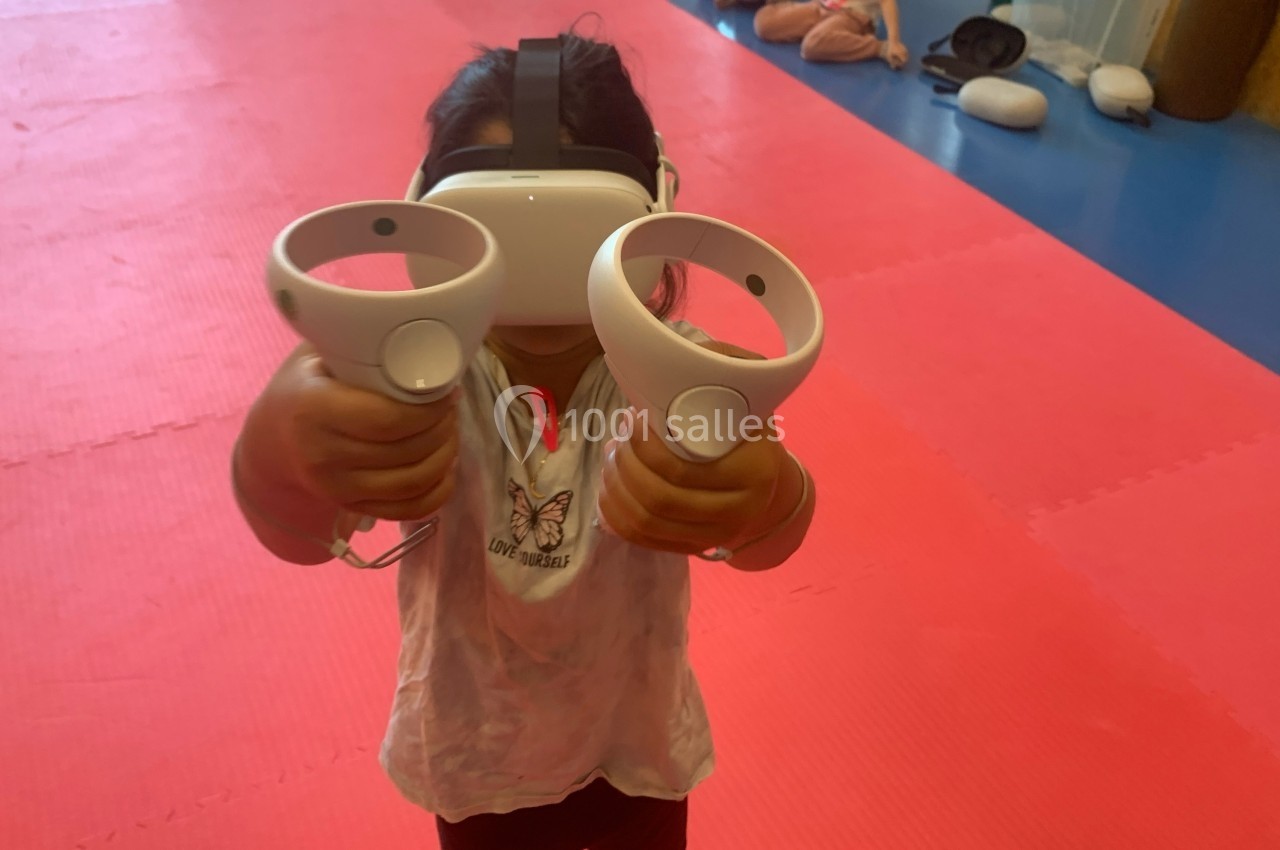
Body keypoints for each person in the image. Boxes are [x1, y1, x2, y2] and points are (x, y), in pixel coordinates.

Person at [231, 31, 816, 850]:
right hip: (476, 755)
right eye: (503, 236)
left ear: (647, 228)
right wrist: (281, 455)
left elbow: (775, 533)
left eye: (574, 238)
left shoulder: (682, 382)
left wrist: (769, 493)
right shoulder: (409, 385)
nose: (540, 284)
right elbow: (295, 535)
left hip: (636, 745)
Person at [754, 0, 910, 69]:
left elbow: (887, 2)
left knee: (811, 46)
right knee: (764, 24)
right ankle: (818, 30)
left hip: (851, 15)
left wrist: (893, 42)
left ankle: (879, 48)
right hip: (821, 7)